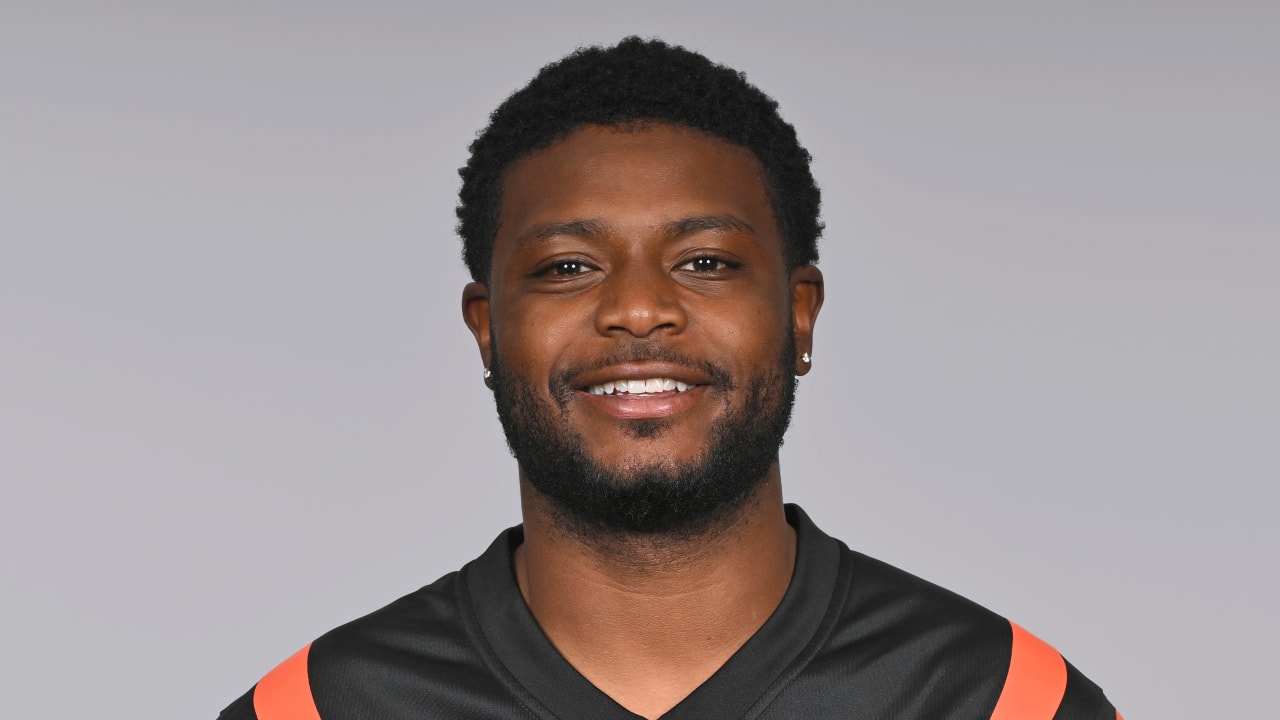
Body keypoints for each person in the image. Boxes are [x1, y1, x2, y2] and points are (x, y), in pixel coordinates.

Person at [219, 37, 1120, 720]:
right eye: (568, 267)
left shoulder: (997, 701)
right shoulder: (324, 709)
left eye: (706, 262)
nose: (640, 309)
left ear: (799, 314)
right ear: (487, 331)